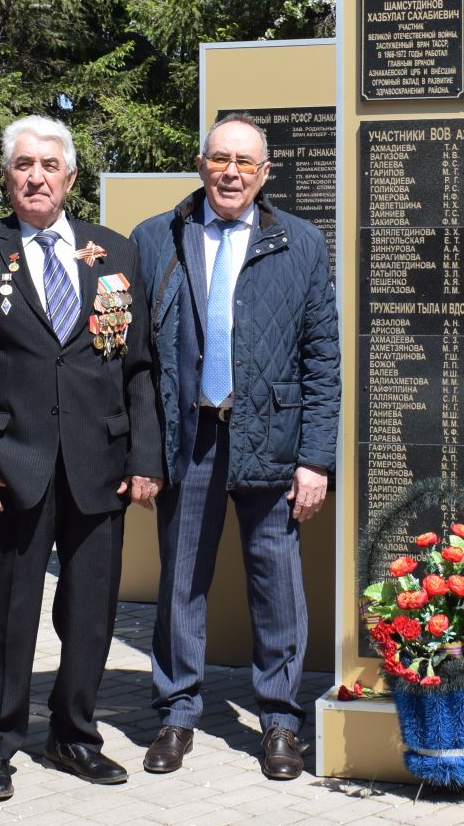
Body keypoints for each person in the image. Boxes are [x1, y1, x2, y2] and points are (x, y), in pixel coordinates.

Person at [0, 115, 166, 802]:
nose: (35, 177)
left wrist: (146, 457)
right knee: (1, 611)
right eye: (22, 165)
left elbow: (139, 366)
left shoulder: (116, 253)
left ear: (70, 177)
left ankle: (74, 734)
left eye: (48, 165)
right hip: (9, 465)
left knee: (91, 610)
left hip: (98, 464)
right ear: (6, 176)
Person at [130, 114, 340, 780]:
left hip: (271, 438)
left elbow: (321, 359)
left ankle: (280, 721)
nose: (231, 172)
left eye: (245, 163)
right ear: (200, 163)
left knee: (275, 582)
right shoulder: (157, 237)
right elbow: (134, 358)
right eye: (220, 158)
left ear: (265, 173)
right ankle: (176, 711)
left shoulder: (300, 243)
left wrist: (315, 458)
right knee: (181, 581)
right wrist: (141, 453)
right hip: (187, 436)